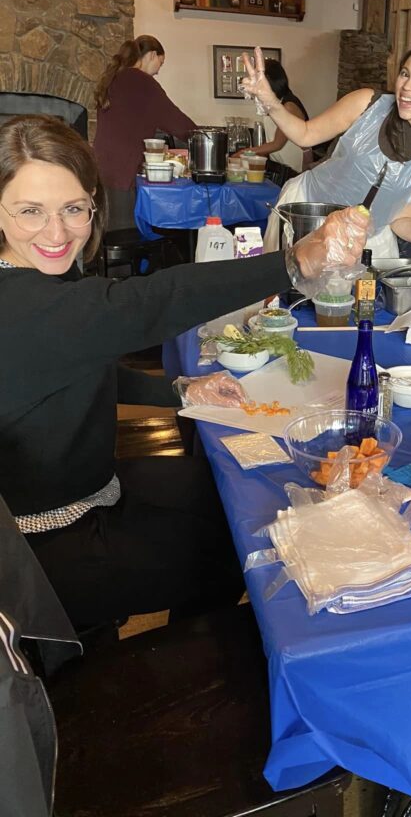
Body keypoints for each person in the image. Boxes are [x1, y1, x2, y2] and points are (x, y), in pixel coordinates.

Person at [0, 114, 369, 633]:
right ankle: (190, 671)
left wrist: (181, 388)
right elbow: (151, 301)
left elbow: (76, 370)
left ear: (92, 202)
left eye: (73, 208)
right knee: (250, 539)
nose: (57, 232)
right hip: (39, 548)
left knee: (228, 491)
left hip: (91, 491)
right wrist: (292, 264)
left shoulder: (37, 278)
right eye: (30, 212)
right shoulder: (21, 302)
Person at [242, 44, 411, 257]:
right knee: (284, 300)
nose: (407, 86)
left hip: (366, 244)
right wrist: (270, 101)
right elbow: (305, 133)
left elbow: (401, 219)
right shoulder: (367, 103)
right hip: (306, 216)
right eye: (405, 74)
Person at [93, 36, 196, 229]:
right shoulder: (143, 83)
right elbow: (180, 126)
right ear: (150, 55)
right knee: (130, 236)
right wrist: (205, 137)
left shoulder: (115, 77)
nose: (158, 71)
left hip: (101, 174)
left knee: (106, 237)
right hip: (122, 180)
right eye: (160, 63)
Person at [235, 58, 309, 175]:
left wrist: (245, 152)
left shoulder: (289, 106)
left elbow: (277, 144)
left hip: (295, 167)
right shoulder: (275, 103)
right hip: (280, 164)